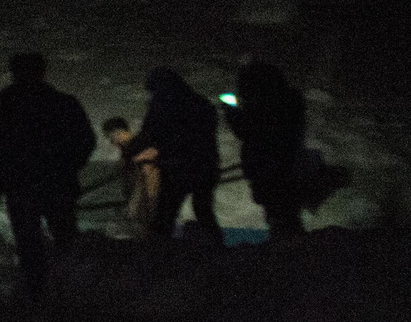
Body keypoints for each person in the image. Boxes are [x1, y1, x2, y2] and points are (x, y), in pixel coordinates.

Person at [0, 53, 97, 302]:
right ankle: (69, 289)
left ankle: (36, 291)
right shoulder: (63, 103)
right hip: (57, 183)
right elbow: (86, 140)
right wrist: (69, 166)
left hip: (19, 185)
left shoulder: (1, 105)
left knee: (28, 239)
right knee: (64, 234)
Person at [124, 68, 222, 247]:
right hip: (206, 164)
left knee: (165, 212)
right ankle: (218, 249)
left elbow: (150, 133)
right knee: (203, 210)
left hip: (178, 167)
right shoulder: (201, 103)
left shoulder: (163, 104)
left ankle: (159, 256)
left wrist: (130, 150)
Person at [224, 61, 308, 239]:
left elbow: (248, 130)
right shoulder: (289, 100)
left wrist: (230, 111)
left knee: (278, 214)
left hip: (268, 167)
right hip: (286, 165)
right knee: (287, 213)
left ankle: (285, 253)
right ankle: (292, 249)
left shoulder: (265, 105)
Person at [104, 117, 161, 237]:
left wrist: (136, 204)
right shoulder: (127, 154)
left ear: (124, 132)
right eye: (110, 138)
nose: (113, 141)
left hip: (148, 201)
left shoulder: (138, 151)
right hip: (143, 202)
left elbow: (147, 178)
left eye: (113, 136)